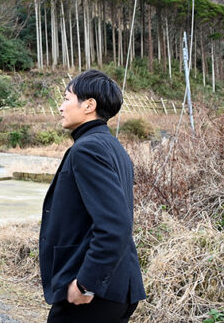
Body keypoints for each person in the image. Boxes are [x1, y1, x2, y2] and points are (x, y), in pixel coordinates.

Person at [39, 70, 146, 322]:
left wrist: (88, 283)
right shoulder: (111, 145)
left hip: (94, 293)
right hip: (116, 285)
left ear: (89, 105)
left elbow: (115, 224)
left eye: (66, 98)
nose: (61, 107)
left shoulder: (88, 149)